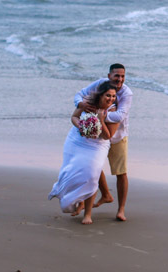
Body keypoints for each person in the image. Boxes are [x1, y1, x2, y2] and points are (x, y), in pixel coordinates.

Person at [49, 81, 119, 224]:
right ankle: (76, 199)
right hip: (77, 140)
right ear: (100, 95)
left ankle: (88, 214)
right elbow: (74, 117)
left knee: (91, 176)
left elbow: (107, 136)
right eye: (108, 95)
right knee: (72, 170)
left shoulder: (113, 110)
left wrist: (100, 119)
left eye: (113, 96)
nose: (111, 99)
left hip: (97, 146)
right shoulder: (88, 103)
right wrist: (82, 126)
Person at [75, 63, 132, 221]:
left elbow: (119, 116)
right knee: (94, 168)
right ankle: (106, 194)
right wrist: (82, 105)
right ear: (109, 76)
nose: (120, 79)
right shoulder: (99, 85)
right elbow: (79, 94)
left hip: (118, 136)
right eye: (116, 76)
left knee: (121, 172)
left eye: (122, 76)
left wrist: (100, 115)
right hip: (98, 137)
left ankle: (121, 210)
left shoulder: (127, 93)